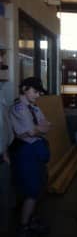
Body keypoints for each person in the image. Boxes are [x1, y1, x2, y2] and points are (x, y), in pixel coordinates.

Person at [9, 77, 51, 237]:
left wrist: (36, 129)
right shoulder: (18, 108)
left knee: (39, 186)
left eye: (39, 92)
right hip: (26, 154)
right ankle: (24, 226)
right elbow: (30, 131)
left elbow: (45, 126)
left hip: (37, 154)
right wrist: (37, 129)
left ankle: (30, 219)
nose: (38, 95)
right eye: (35, 91)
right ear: (25, 88)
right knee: (31, 190)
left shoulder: (34, 108)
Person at [0, 89, 14, 234]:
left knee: (5, 203)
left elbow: (5, 126)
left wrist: (5, 151)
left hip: (2, 158)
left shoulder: (1, 94)